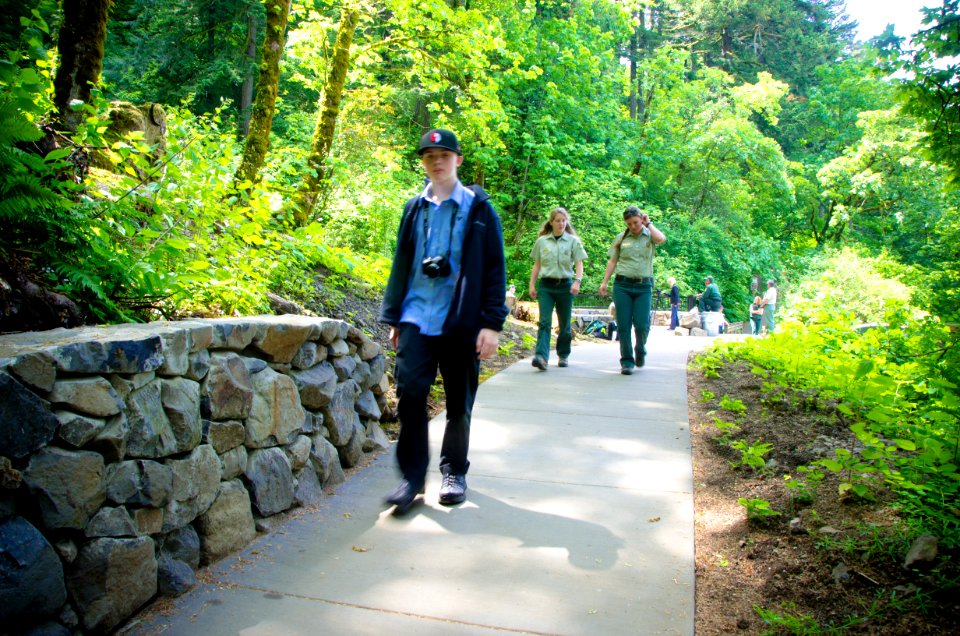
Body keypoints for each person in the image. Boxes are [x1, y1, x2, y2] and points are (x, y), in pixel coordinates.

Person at [379, 128, 507, 512]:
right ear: (423, 162)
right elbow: (401, 262)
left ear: (458, 160)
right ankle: (412, 479)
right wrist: (395, 317)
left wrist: (491, 323)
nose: (437, 162)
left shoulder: (480, 210)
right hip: (417, 315)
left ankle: (454, 471)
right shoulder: (414, 208)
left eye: (445, 155)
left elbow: (494, 270)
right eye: (429, 156)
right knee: (411, 395)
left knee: (458, 402)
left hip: (461, 320)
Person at [599, 206, 666, 375]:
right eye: (629, 224)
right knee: (623, 325)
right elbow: (613, 261)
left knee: (642, 325)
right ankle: (627, 361)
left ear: (641, 220)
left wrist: (648, 223)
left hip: (644, 287)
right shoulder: (621, 238)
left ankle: (640, 349)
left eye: (635, 222)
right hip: (622, 286)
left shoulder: (649, 235)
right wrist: (604, 283)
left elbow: (661, 239)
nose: (633, 226)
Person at [528, 207, 588, 370]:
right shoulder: (542, 241)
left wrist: (577, 281)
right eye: (557, 221)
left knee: (564, 323)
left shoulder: (573, 241)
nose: (561, 223)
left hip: (565, 286)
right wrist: (531, 284)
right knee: (545, 322)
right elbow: (537, 264)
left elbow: (579, 262)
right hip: (546, 285)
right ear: (551, 222)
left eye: (563, 220)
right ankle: (541, 356)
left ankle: (563, 354)